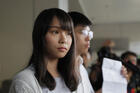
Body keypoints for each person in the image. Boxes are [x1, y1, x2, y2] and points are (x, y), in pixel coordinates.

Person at [9, 8, 79, 93]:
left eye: (68, 33)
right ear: (40, 35)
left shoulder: (71, 78)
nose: (64, 40)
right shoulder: (24, 81)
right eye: (55, 32)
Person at [68, 11, 94, 93]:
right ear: (68, 33)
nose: (88, 38)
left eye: (89, 33)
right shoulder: (57, 69)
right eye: (83, 32)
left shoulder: (82, 69)